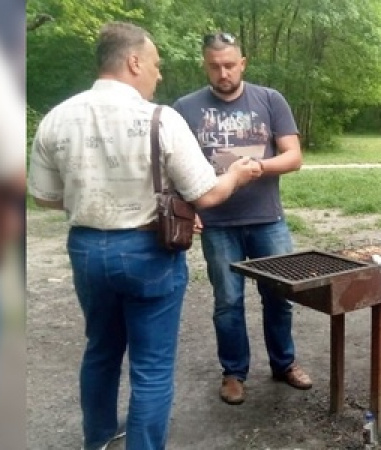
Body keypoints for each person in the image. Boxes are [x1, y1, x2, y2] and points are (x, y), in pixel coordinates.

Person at [27, 22, 258, 450]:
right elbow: (207, 194)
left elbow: (43, 198)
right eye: (154, 64)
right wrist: (239, 174)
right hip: (148, 251)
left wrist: (94, 199)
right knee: (151, 367)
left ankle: (97, 439)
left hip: (87, 249)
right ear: (134, 61)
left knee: (100, 350)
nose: (158, 74)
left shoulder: (57, 117)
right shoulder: (160, 118)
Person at [172, 31, 309, 406]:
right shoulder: (185, 108)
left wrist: (258, 166)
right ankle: (234, 373)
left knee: (279, 296)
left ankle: (284, 363)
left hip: (268, 218)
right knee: (228, 302)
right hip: (217, 223)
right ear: (205, 65)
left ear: (243, 63)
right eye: (215, 66)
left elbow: (293, 156)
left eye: (230, 65)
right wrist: (191, 209)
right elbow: (174, 168)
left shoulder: (269, 99)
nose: (223, 73)